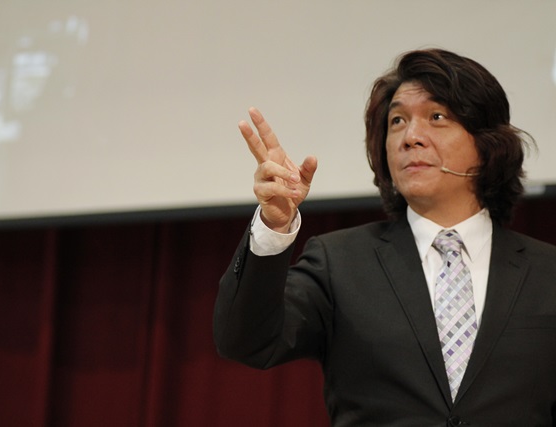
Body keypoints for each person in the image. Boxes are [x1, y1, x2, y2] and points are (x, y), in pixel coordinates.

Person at [213, 48, 556, 426]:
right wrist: (273, 225)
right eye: (397, 121)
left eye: (436, 117)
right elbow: (247, 341)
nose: (411, 137)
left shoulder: (548, 272)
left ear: (487, 144)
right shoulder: (339, 262)